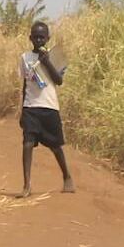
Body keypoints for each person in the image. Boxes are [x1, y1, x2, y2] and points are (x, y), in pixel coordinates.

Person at [16, 20, 75, 198]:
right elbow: (25, 83)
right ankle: (26, 185)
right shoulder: (25, 58)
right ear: (30, 38)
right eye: (36, 37)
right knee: (27, 144)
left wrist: (47, 62)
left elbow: (59, 80)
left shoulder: (55, 56)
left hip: (49, 107)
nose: (39, 41)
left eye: (42, 37)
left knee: (55, 146)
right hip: (31, 107)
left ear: (48, 38)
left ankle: (67, 176)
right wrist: (22, 109)